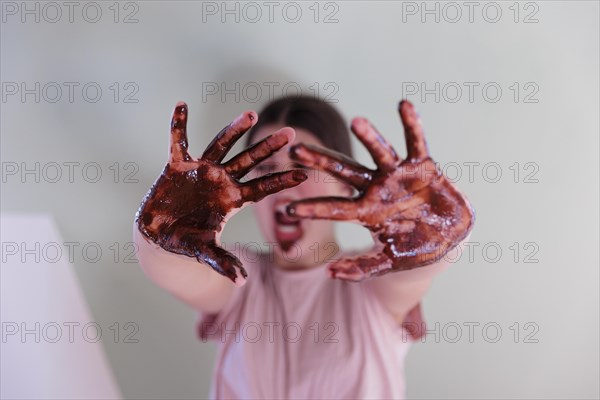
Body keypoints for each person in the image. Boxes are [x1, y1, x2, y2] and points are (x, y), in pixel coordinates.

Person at [133, 96, 475, 399]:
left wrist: (438, 229)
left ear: (345, 185)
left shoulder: (374, 275)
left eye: (303, 167)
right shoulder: (237, 275)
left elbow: (420, 269)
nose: (283, 186)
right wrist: (159, 234)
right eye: (266, 170)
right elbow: (170, 269)